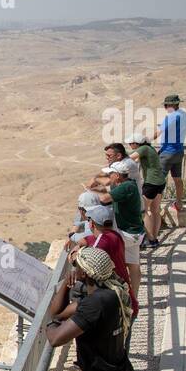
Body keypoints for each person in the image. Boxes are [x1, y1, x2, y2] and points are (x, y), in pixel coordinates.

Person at [67, 204, 137, 318]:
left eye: (89, 219)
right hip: (125, 297)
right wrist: (81, 243)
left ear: (92, 224)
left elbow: (82, 263)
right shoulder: (115, 236)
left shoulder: (99, 246)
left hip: (117, 303)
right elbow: (88, 239)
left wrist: (74, 255)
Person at [96, 161, 143, 304]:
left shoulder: (125, 187)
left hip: (127, 234)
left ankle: (115, 296)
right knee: (134, 265)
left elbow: (104, 199)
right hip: (135, 232)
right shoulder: (130, 184)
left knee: (107, 258)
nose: (108, 176)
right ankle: (134, 299)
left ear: (117, 175)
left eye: (110, 174)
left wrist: (97, 191)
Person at [127, 131, 165, 248]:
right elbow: (138, 160)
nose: (130, 146)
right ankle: (154, 238)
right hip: (160, 182)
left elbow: (129, 159)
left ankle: (150, 239)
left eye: (131, 144)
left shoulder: (143, 148)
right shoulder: (150, 148)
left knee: (143, 211)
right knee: (155, 211)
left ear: (136, 143)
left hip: (151, 183)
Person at [156, 93, 186, 213]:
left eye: (165, 105)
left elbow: (158, 132)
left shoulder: (170, 117)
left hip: (167, 152)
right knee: (177, 178)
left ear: (169, 105)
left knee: (158, 180)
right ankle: (179, 203)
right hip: (179, 151)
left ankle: (156, 206)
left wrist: (144, 143)